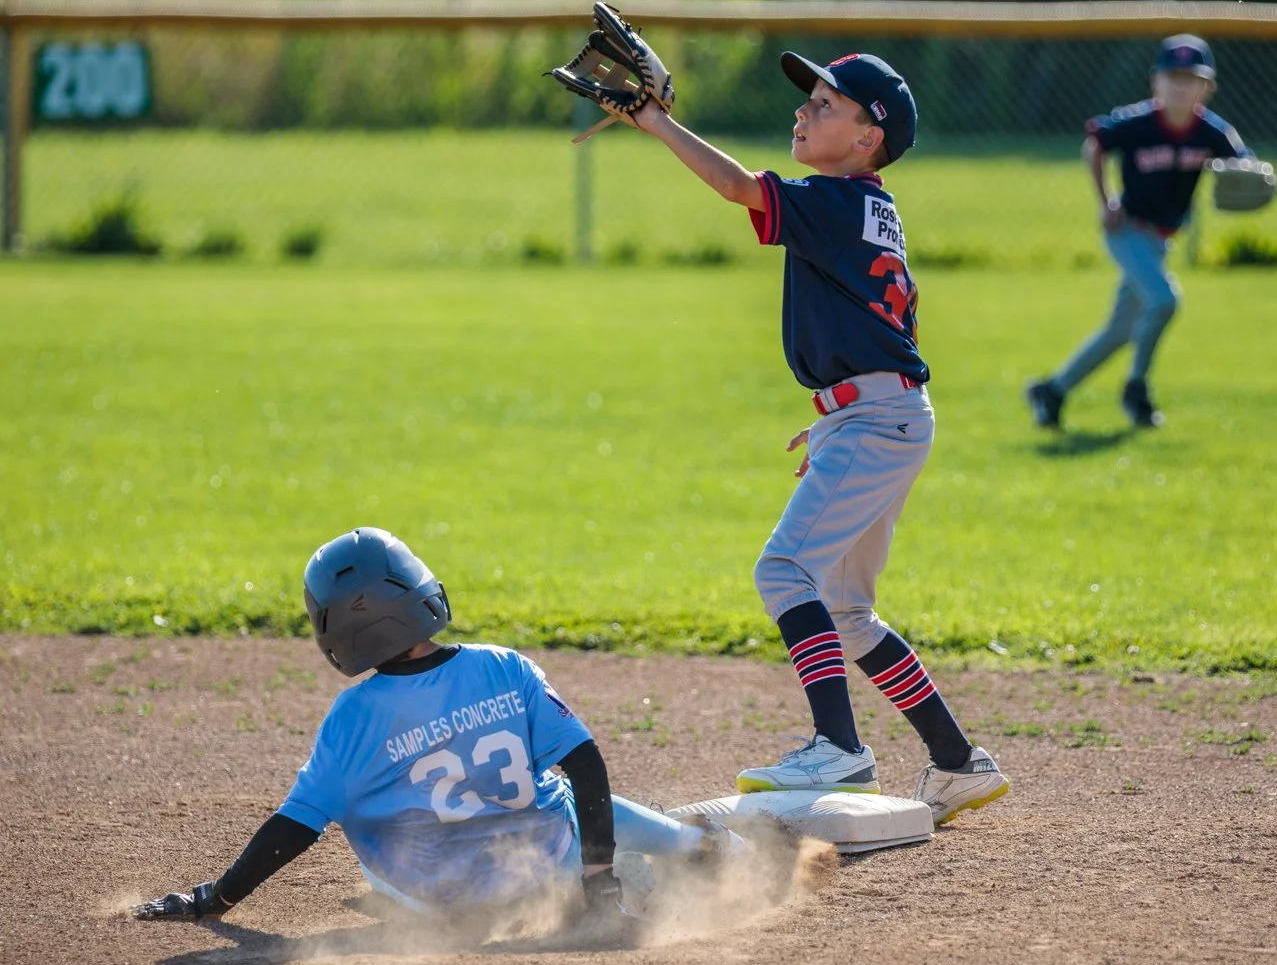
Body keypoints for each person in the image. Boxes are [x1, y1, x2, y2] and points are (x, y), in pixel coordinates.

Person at [630, 52, 1008, 824]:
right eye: (809, 100)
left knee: (784, 572)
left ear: (869, 137)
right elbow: (877, 325)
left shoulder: (833, 202)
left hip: (875, 418)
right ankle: (957, 762)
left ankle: (837, 745)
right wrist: (841, 410)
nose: (805, 111)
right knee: (845, 607)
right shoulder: (870, 206)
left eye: (827, 104)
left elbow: (740, 188)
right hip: (879, 413)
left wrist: (655, 121)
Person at [131, 528, 740, 927]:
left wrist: (216, 897)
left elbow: (292, 828)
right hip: (552, 870)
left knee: (359, 818)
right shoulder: (504, 666)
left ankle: (658, 866)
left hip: (447, 904)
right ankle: (699, 850)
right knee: (564, 794)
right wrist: (596, 882)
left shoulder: (351, 718)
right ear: (420, 590)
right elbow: (587, 766)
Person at [1026, 34, 1255, 429]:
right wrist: (1105, 199)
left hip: (1161, 239)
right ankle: (1137, 388)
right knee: (1165, 301)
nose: (1181, 85)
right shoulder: (1138, 122)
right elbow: (1094, 144)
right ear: (1156, 82)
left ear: (1207, 87)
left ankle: (1052, 390)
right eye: (1173, 76)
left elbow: (1247, 164)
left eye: (1191, 78)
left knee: (1118, 331)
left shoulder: (1212, 132)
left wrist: (1253, 175)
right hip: (1128, 230)